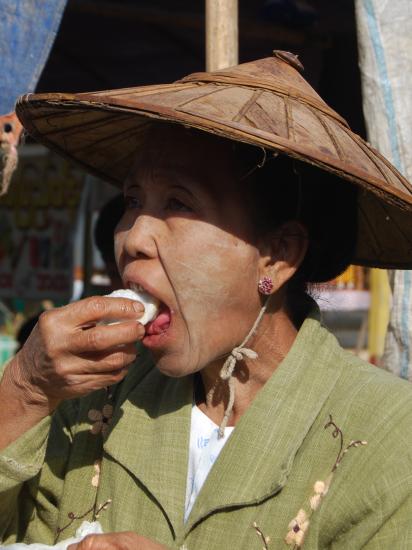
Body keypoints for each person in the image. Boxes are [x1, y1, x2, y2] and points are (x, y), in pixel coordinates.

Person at [1, 52, 412, 550]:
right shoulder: (86, 399)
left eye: (178, 202)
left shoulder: (390, 438)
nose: (133, 237)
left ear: (276, 256)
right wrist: (23, 391)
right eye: (133, 200)